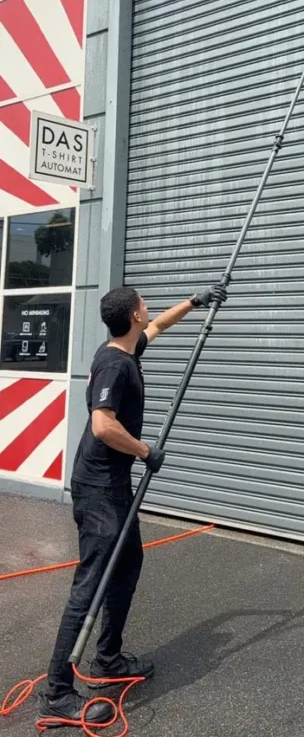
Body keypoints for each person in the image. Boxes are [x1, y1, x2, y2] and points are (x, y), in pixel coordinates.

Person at [39, 283, 227, 726]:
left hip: (114, 486)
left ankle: (106, 659)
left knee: (126, 566)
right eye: (144, 305)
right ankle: (57, 691)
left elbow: (160, 325)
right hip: (99, 488)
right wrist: (146, 451)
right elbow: (103, 426)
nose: (149, 309)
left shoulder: (126, 346)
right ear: (133, 317)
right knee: (91, 585)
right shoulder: (114, 367)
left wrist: (195, 302)